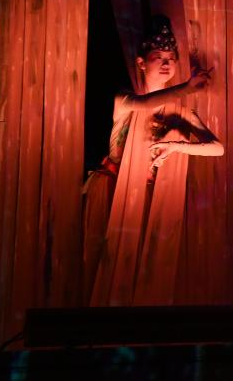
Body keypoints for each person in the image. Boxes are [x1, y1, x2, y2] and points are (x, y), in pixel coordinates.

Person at [88, 15, 223, 306]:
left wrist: (176, 146)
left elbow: (217, 148)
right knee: (113, 271)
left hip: (152, 195)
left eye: (171, 58)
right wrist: (187, 88)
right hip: (116, 191)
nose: (166, 63)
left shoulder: (180, 111)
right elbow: (145, 104)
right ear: (140, 62)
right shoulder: (125, 100)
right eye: (158, 57)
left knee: (151, 274)